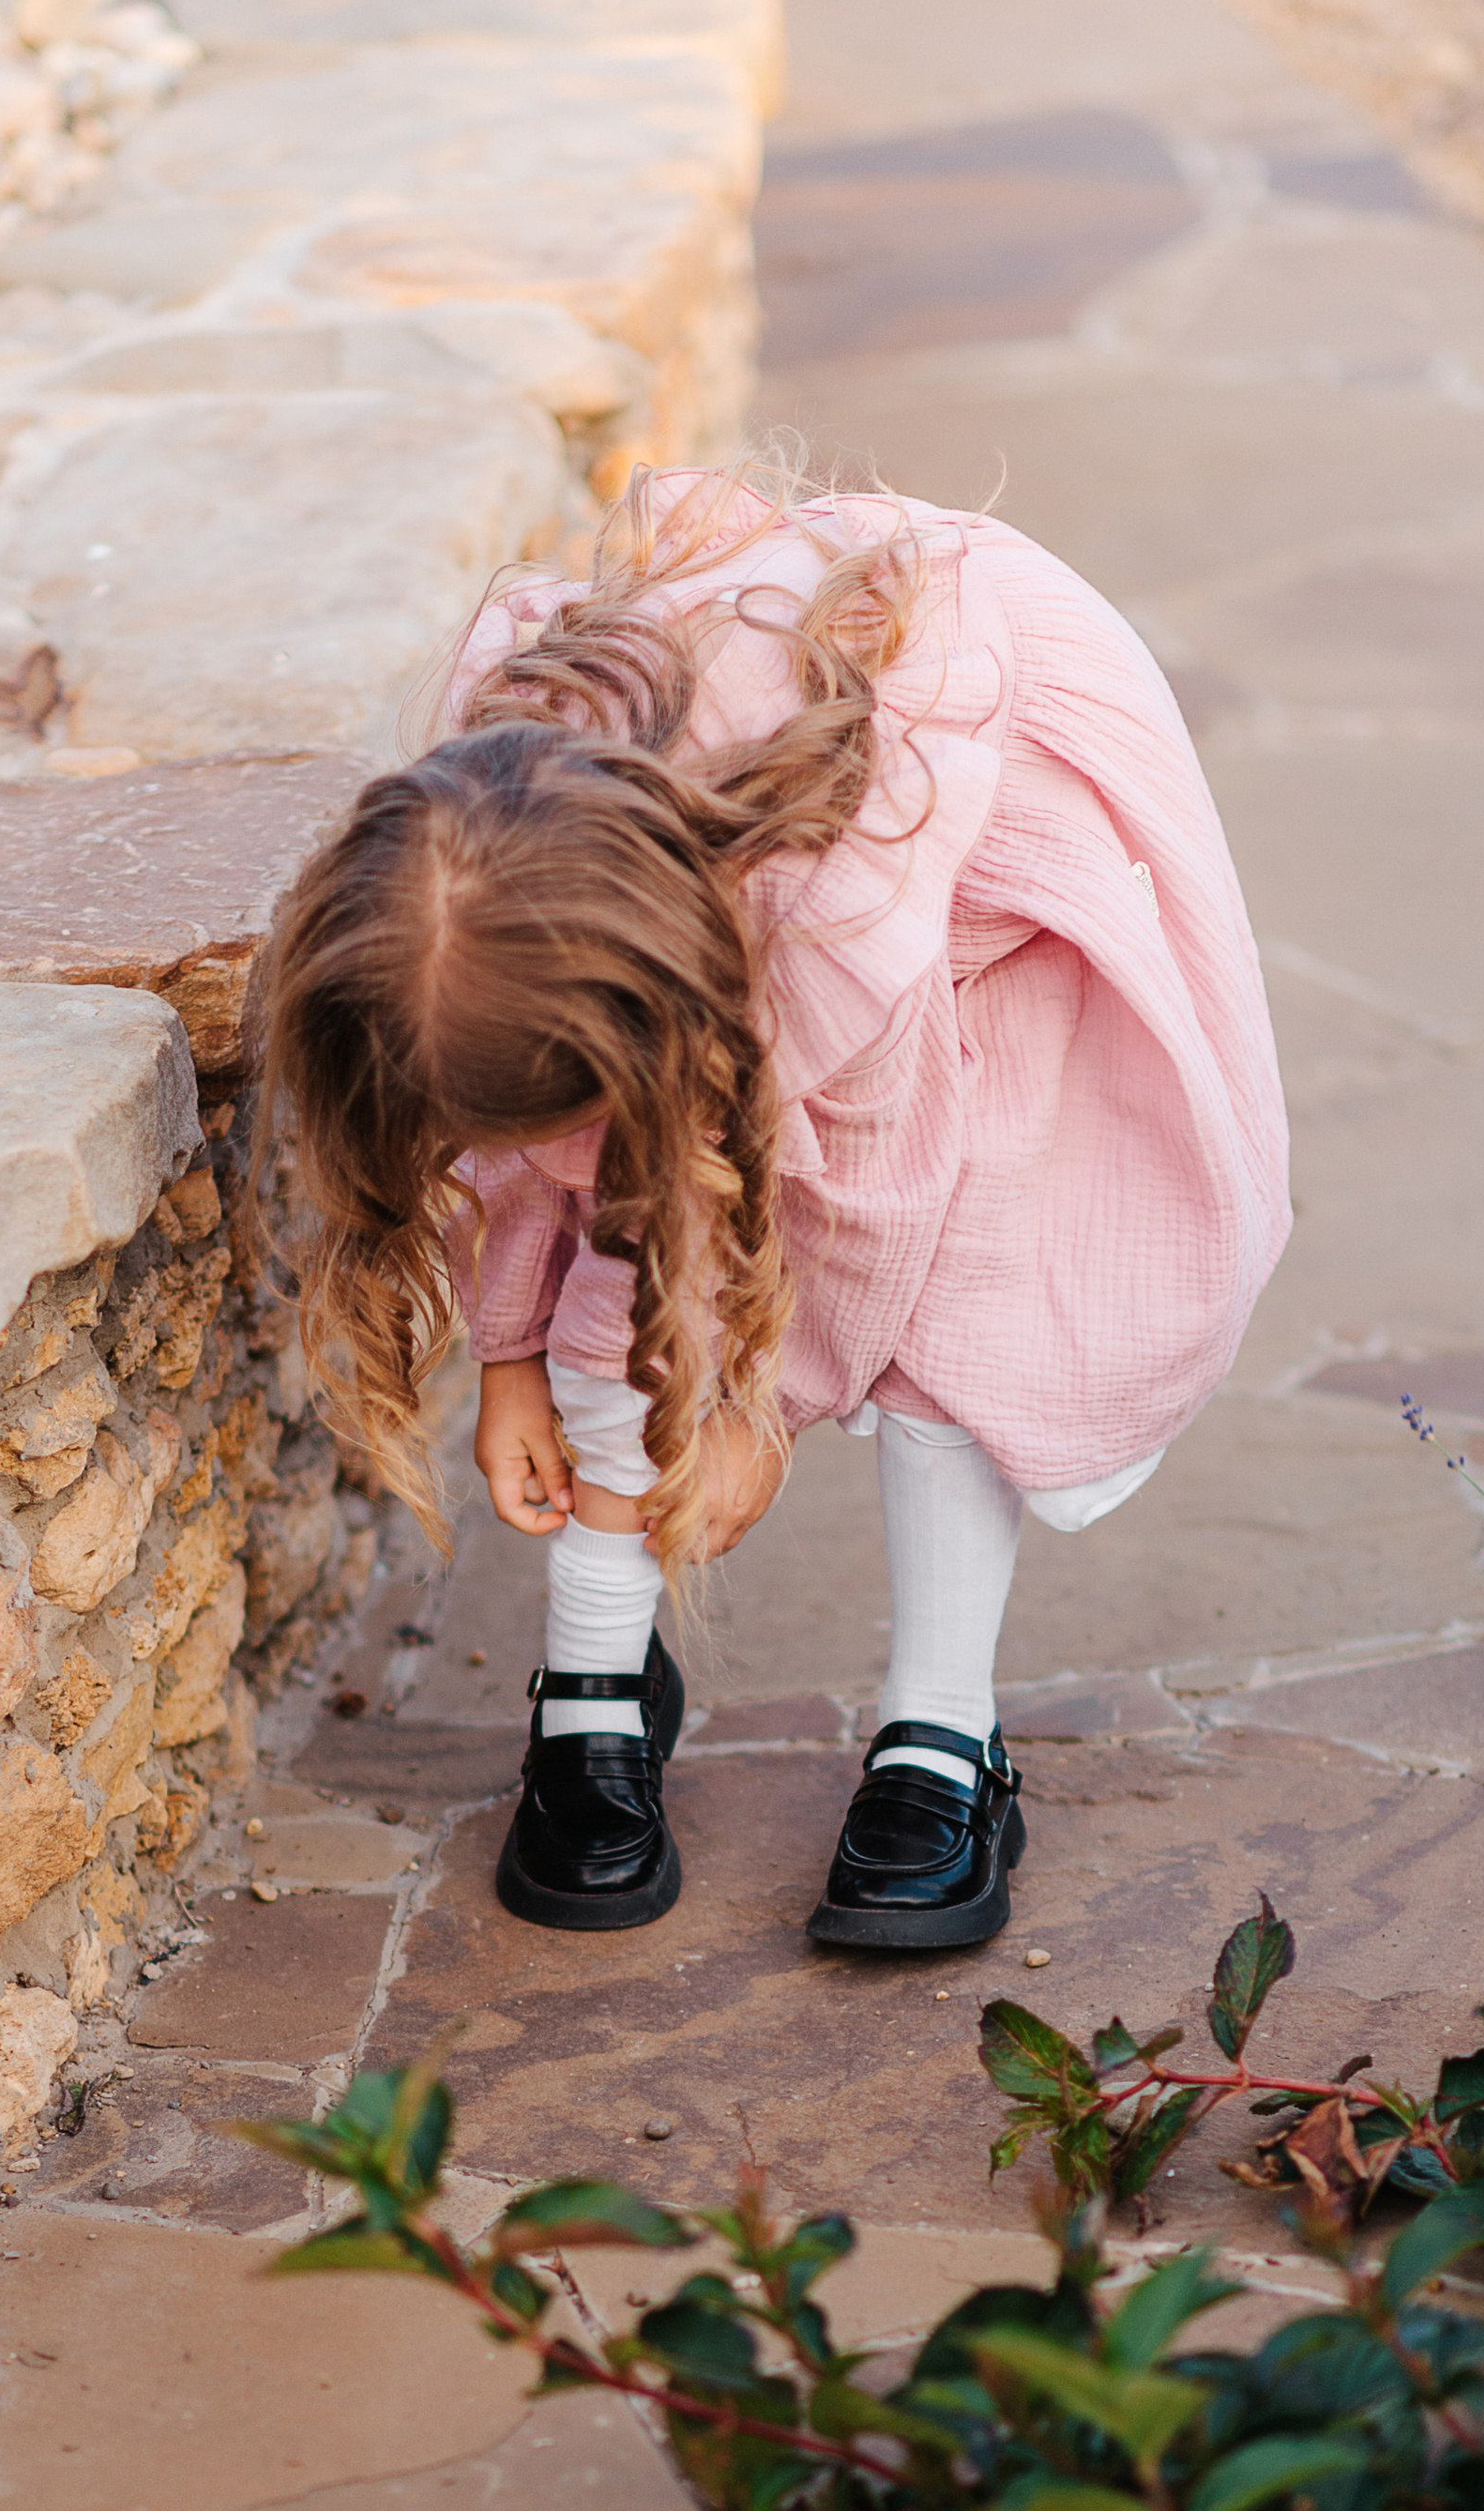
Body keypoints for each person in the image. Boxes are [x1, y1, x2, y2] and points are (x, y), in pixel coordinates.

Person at [253, 463, 1289, 1951]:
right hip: (729, 867)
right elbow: (513, 1157)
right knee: (629, 1254)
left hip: (988, 834)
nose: (549, 1152)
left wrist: (745, 1398)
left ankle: (945, 1730)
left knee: (966, 1300)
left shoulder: (827, 925)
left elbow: (870, 1206)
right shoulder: (473, 856)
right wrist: (506, 1351)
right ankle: (598, 1687)